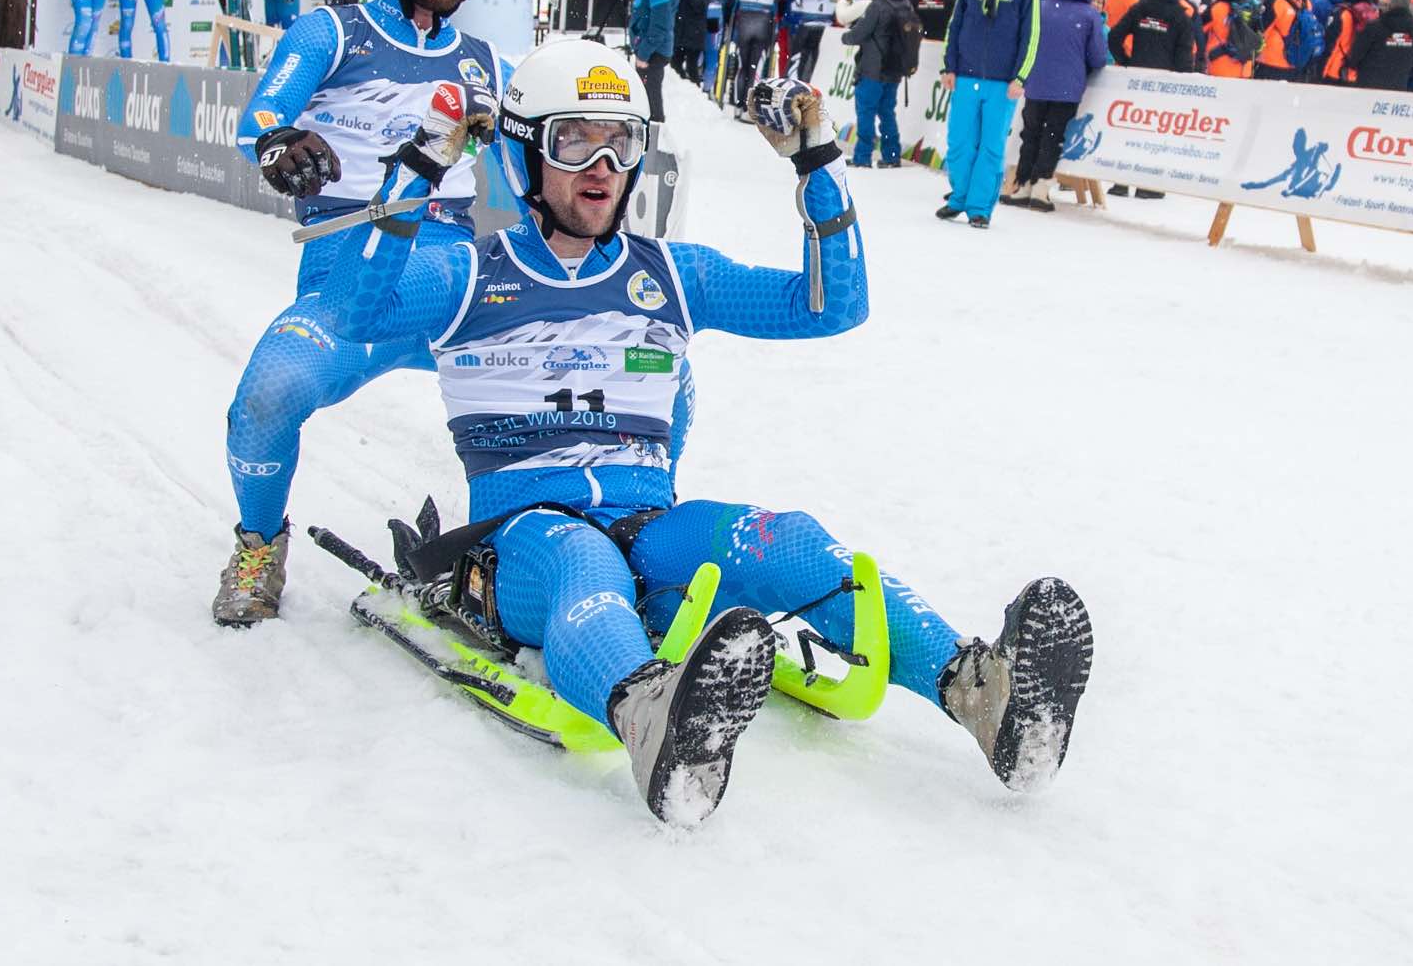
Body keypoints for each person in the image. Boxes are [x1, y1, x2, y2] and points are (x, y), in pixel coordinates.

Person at [304, 41, 1091, 822]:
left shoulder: (672, 274)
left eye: (622, 142)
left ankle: (982, 692)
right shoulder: (469, 274)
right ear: (521, 155)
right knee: (584, 561)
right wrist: (416, 165)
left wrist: (817, 160)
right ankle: (650, 717)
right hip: (523, 539)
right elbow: (348, 313)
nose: (602, 163)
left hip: (649, 525)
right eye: (573, 139)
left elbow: (833, 306)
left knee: (791, 540)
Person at [214, 0, 508, 627]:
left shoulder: (486, 67)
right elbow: (260, 120)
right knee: (267, 398)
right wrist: (281, 143)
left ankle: (573, 547)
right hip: (348, 285)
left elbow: (530, 175)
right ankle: (257, 545)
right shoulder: (330, 32)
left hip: (451, 281)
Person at [936, 0, 1041, 229]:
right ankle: (959, 198)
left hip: (1002, 82)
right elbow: (955, 25)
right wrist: (949, 65)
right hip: (966, 75)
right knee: (959, 143)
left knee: (991, 147)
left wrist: (1020, 75)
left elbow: (1031, 33)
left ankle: (979, 207)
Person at [1007, 0, 1109, 210]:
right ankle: (1041, 188)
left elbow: (1023, 41)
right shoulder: (1089, 14)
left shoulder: (1040, 8)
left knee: (1031, 133)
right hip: (1067, 88)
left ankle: (1021, 185)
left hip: (1035, 83)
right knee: (1053, 136)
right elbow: (1098, 56)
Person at [843, 0, 922, 168]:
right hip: (894, 70)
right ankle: (891, 155)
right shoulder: (906, 4)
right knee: (887, 113)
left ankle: (863, 156)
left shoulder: (877, 6)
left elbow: (860, 34)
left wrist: (846, 37)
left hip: (872, 69)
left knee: (866, 111)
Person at [628, 0, 686, 121]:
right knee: (647, 100)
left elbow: (659, 24)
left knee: (650, 105)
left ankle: (650, 145)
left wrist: (644, 53)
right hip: (652, 46)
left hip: (653, 50)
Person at [723, 0, 784, 114]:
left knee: (743, 63)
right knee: (756, 63)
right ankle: (752, 106)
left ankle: (738, 103)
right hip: (764, 20)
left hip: (745, 20)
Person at [1345, 0, 1413, 90]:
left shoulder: (1373, 27)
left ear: (1389, 3)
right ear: (1410, 4)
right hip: (1398, 88)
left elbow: (1354, 58)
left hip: (1368, 87)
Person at [673, 0, 715, 86]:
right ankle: (680, 88)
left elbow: (700, 7)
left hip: (695, 32)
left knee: (692, 66)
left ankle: (696, 92)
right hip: (681, 30)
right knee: (675, 63)